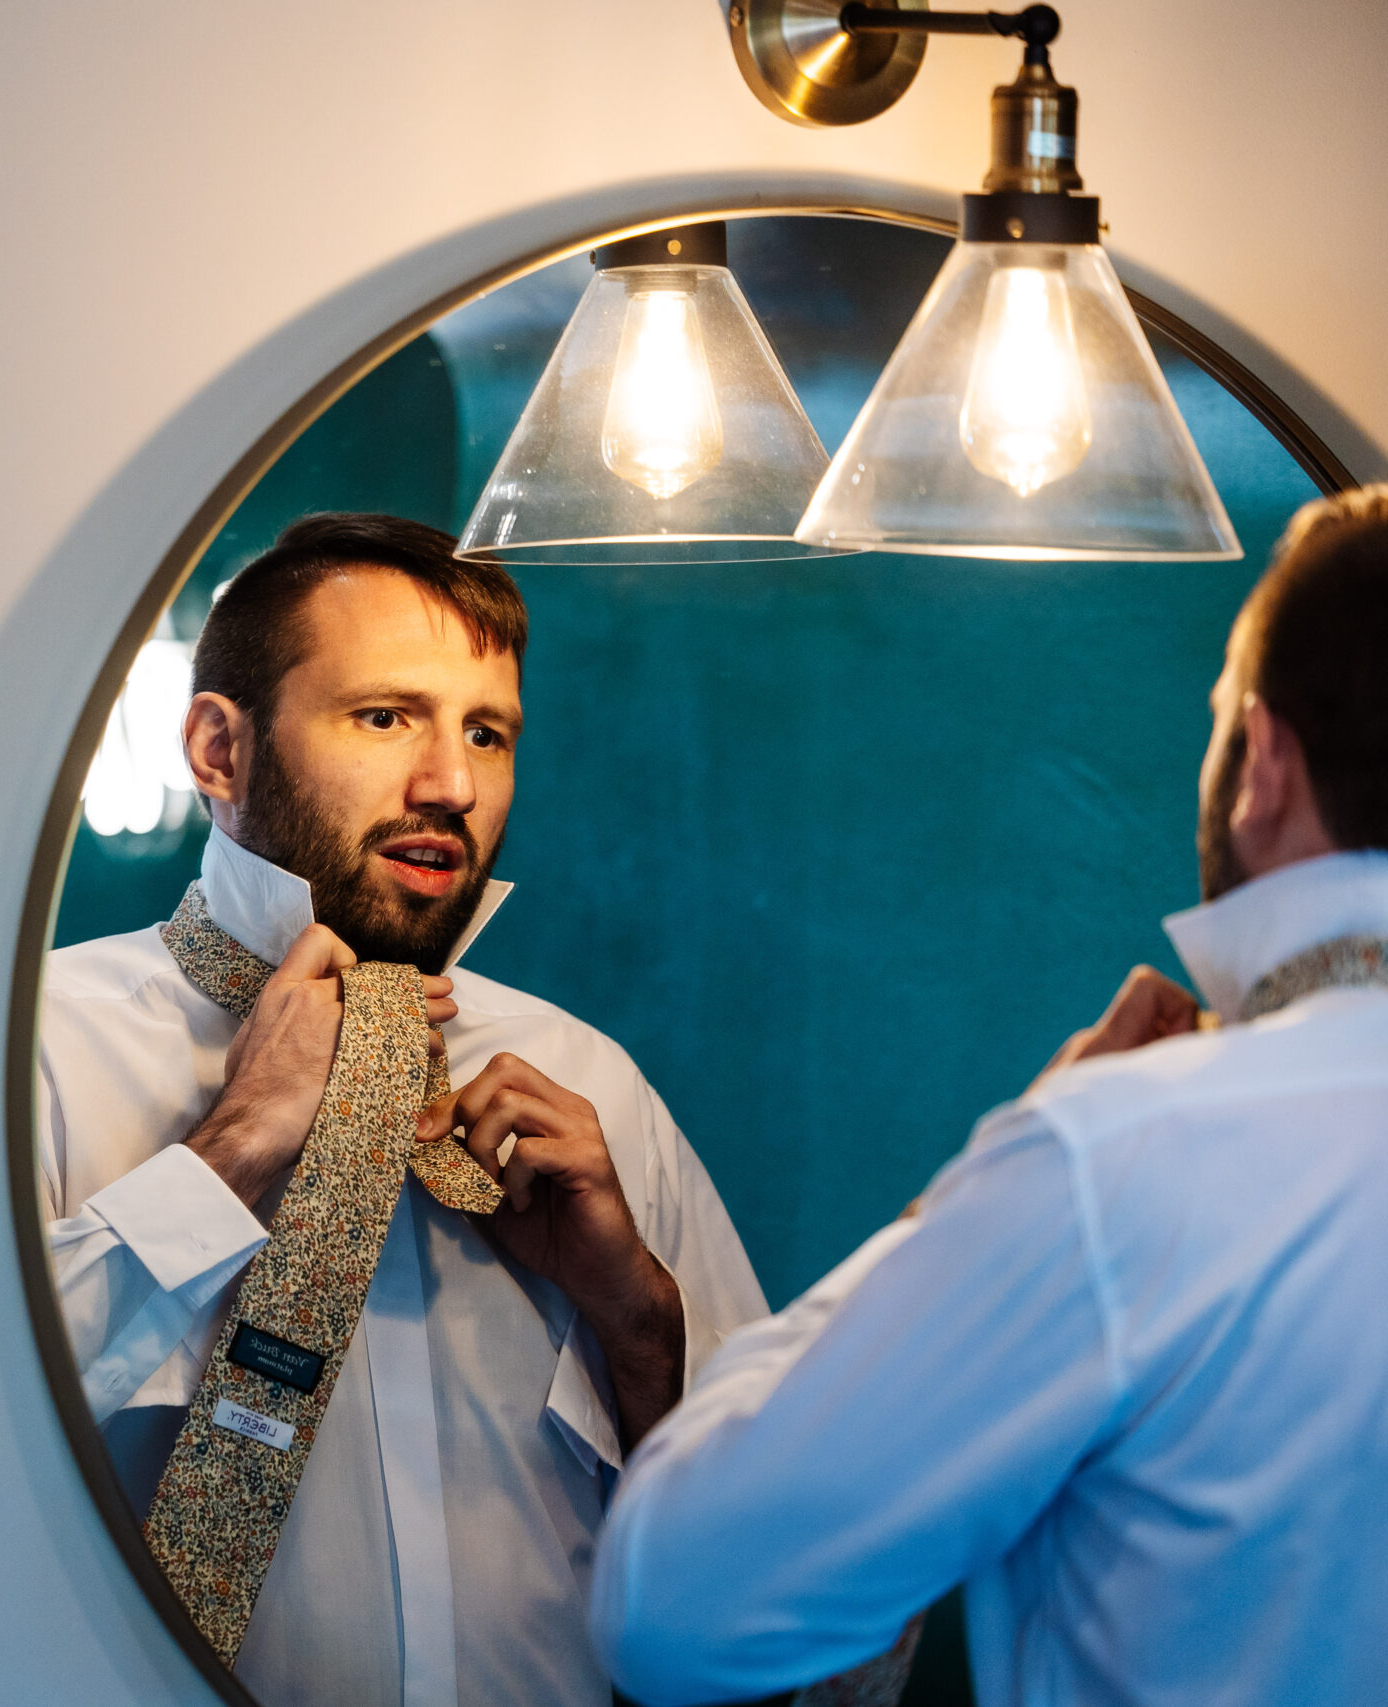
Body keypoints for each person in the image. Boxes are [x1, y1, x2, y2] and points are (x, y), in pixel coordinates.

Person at [590, 487, 1388, 1707]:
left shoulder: (1120, 1159)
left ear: (1261, 767)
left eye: (1219, 719)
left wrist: (972, 1199)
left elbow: (674, 1604)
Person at [41, 513, 767, 1707]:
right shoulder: (45, 1055)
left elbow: (776, 1561)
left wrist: (638, 1323)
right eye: (385, 717)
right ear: (220, 751)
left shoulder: (591, 1087)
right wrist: (224, 1161)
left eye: (487, 733)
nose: (452, 785)